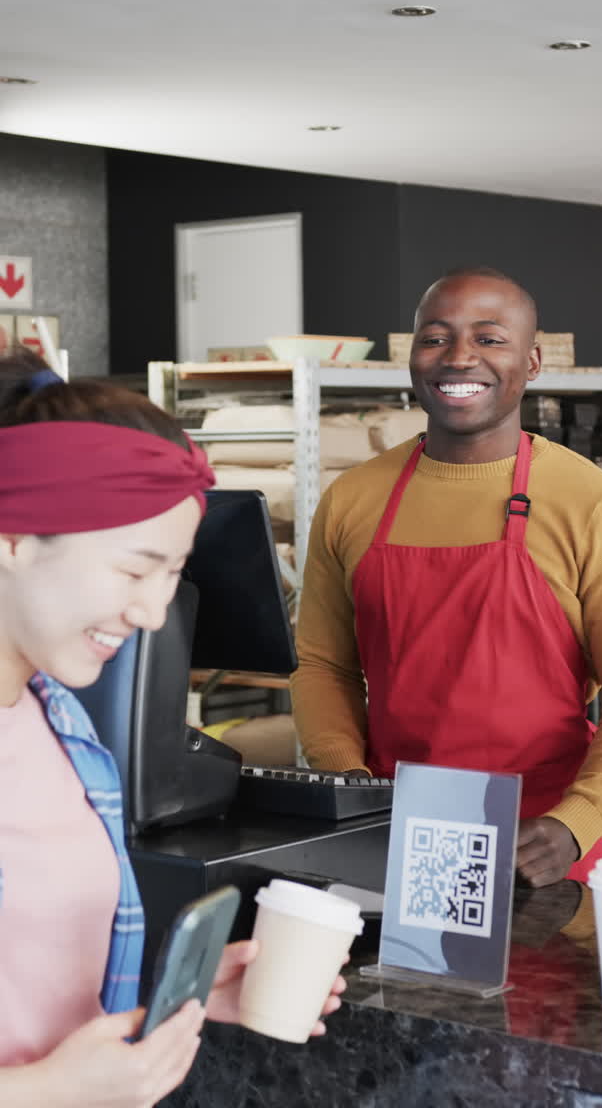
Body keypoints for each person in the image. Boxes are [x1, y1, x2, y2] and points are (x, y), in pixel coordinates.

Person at [0, 347, 345, 1106]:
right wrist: (40, 1093)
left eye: (172, 574)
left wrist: (165, 1006)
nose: (156, 613)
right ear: (15, 538)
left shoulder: (61, 729)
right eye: (134, 569)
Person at [291, 268, 602, 887]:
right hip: (398, 833)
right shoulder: (352, 499)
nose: (459, 357)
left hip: (550, 843)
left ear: (532, 361)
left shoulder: (598, 506)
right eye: (436, 337)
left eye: (490, 338)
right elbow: (322, 665)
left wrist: (575, 823)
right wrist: (352, 783)